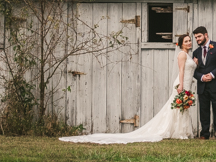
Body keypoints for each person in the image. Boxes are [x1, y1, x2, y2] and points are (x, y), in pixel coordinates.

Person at [59, 33, 196, 144]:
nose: (189, 42)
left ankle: (181, 131)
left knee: (181, 108)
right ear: (181, 43)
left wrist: (195, 64)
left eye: (190, 41)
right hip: (182, 83)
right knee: (178, 108)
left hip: (187, 83)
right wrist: (181, 86)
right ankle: (179, 132)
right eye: (186, 41)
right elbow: (182, 70)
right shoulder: (182, 54)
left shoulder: (188, 55)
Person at [192, 26, 216, 140]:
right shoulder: (196, 52)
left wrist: (212, 75)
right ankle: (204, 134)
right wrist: (202, 77)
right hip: (203, 86)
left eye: (199, 36)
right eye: (196, 38)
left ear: (206, 35)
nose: (197, 39)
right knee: (204, 111)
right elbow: (193, 71)